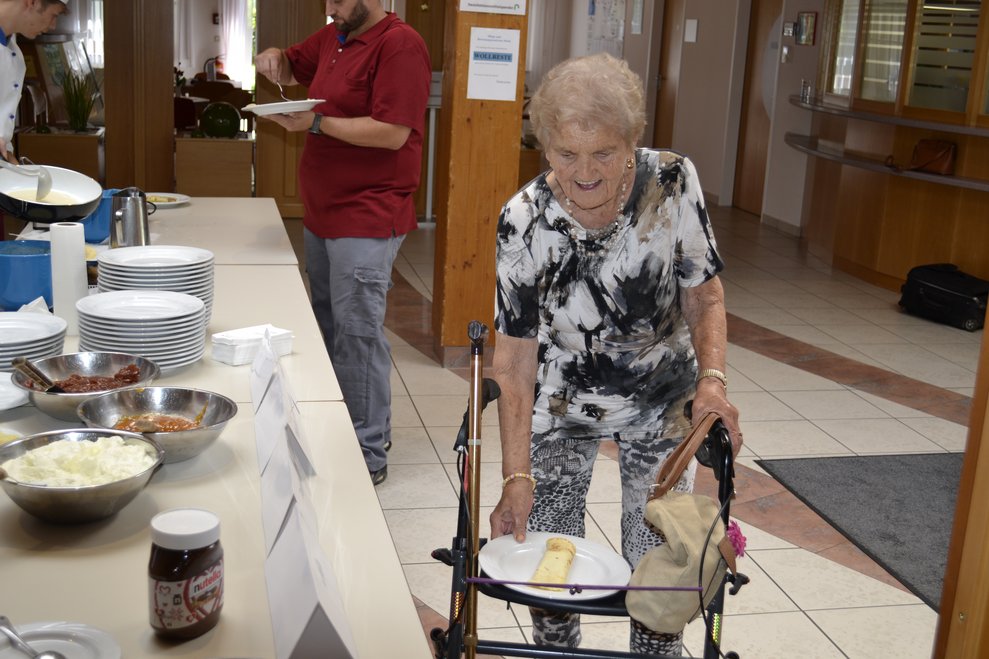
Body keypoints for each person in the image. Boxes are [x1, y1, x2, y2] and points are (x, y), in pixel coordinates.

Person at [488, 53, 743, 655]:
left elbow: (704, 296)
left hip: (659, 397)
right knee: (549, 570)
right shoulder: (523, 220)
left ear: (632, 142)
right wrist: (515, 475)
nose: (583, 172)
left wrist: (712, 381)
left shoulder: (671, 182)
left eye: (603, 153)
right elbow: (515, 362)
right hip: (559, 399)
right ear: (544, 146)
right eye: (565, 153)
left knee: (658, 571)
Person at [254, 0, 430, 487]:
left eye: (337, 0)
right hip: (324, 211)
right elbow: (292, 65)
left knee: (357, 332)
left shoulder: (400, 46)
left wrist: (315, 121)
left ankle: (367, 451)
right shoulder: (336, 34)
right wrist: (273, 58)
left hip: (368, 211)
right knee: (331, 322)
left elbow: (392, 133)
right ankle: (346, 430)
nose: (329, 8)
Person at [0, 0, 67, 163]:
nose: (53, 26)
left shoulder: (16, 57)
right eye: (54, 15)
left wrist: (13, 165)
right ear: (32, 2)